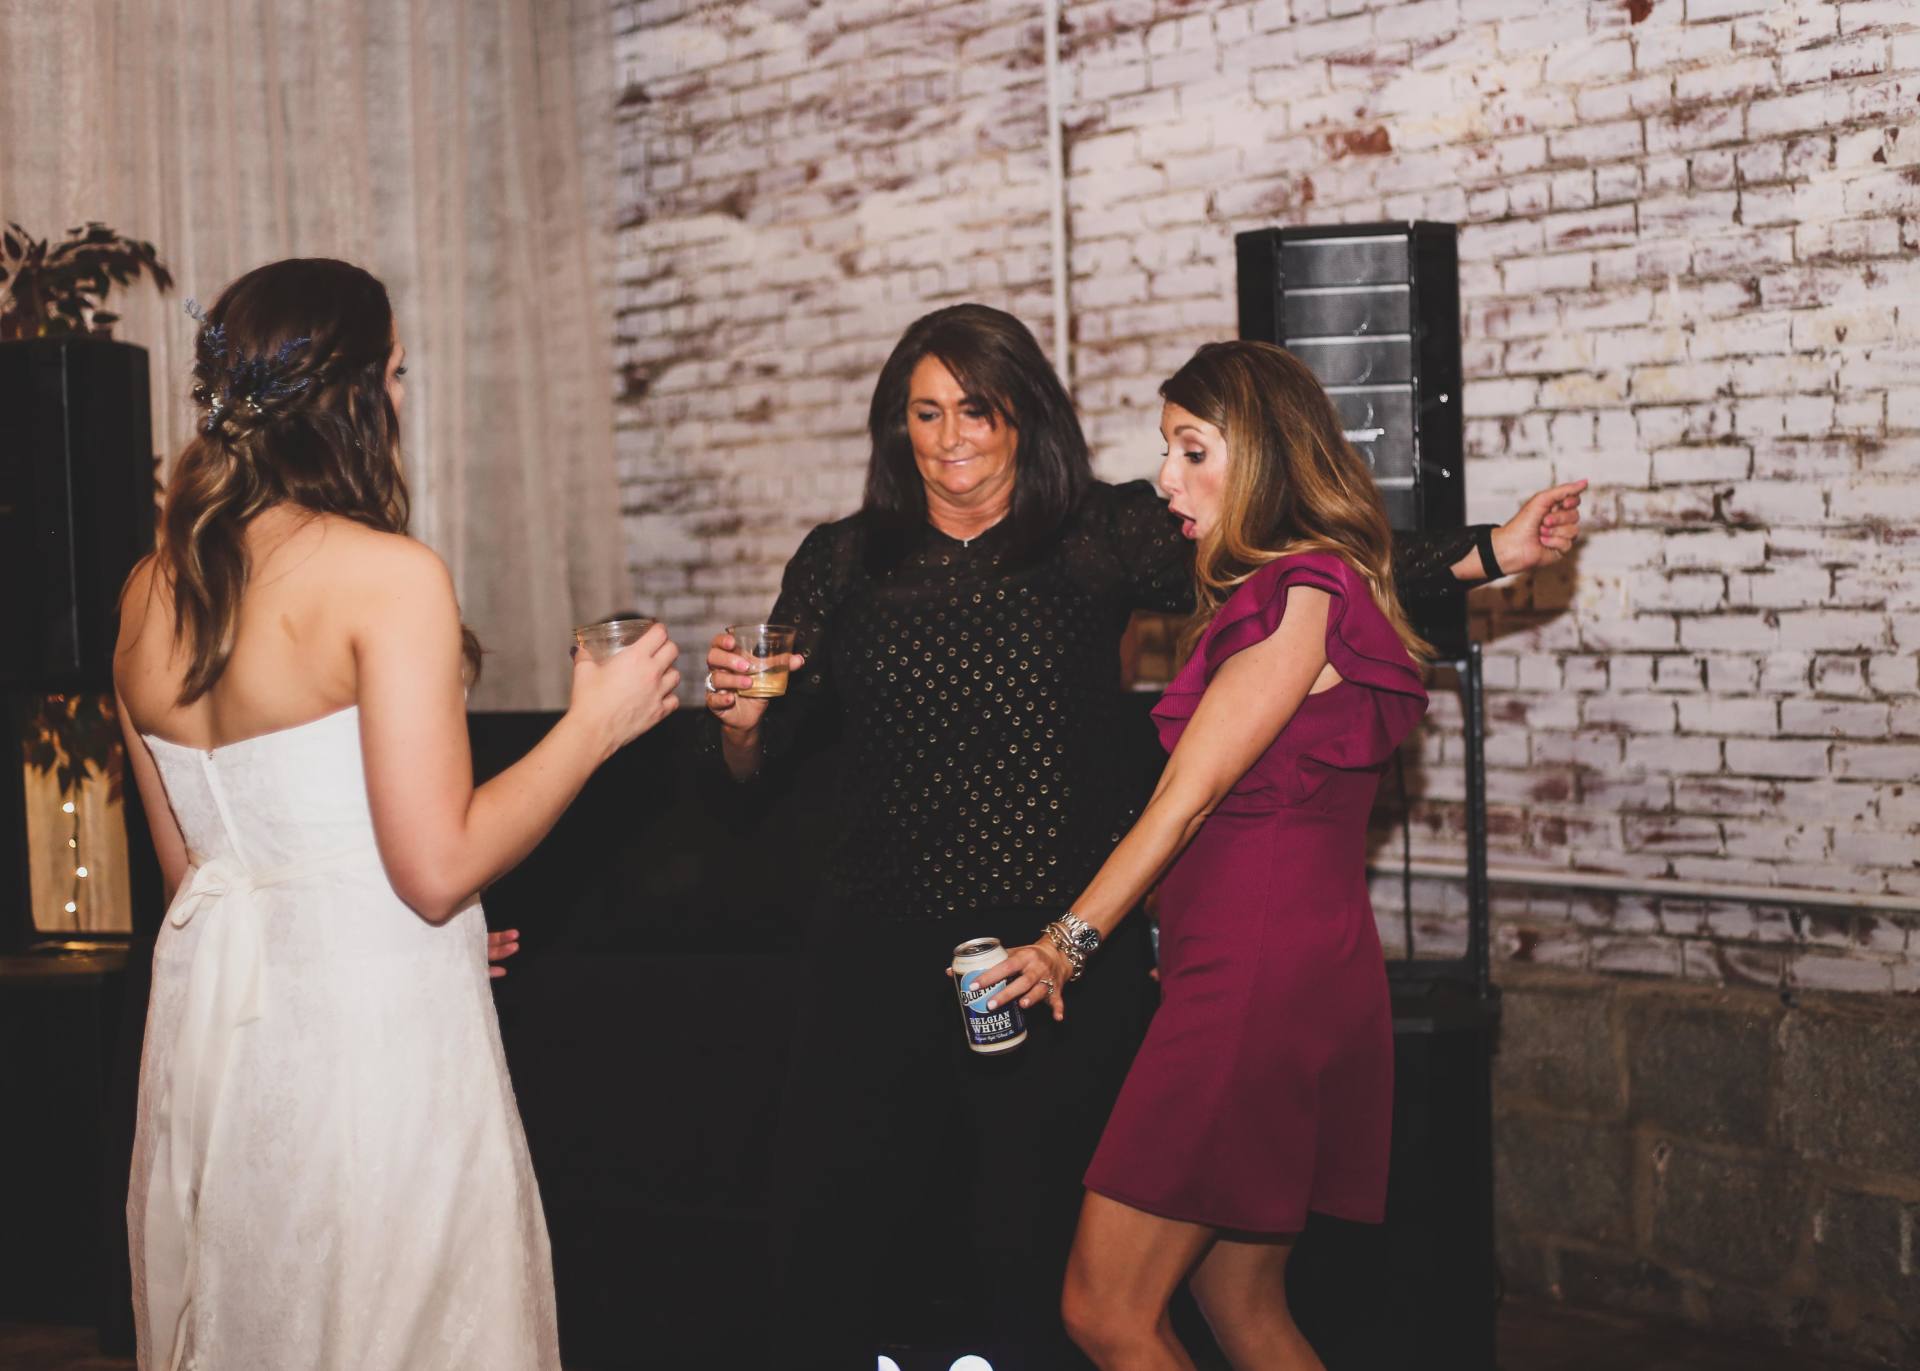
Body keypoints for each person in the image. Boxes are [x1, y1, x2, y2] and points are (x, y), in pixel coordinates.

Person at [701, 304, 1582, 1368]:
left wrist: (1490, 551)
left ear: (1026, 416)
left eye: (976, 410)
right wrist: (743, 728)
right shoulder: (844, 561)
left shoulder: (1106, 537)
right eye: (923, 414)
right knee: (1210, 1301)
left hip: (1088, 942)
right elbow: (764, 763)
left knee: (1087, 1285)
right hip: (895, 942)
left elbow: (1300, 581)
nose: (950, 437)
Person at [113, 258, 681, 1371]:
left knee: (260, 1316)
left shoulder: (147, 590)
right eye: (401, 373)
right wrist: (596, 726)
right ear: (353, 398)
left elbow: (201, 878)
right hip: (369, 1054)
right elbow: (435, 866)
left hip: (221, 1043)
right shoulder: (387, 576)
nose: (407, 396)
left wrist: (417, 933)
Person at [977, 340, 1439, 1369]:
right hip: (1275, 963)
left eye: (1193, 449)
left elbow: (1185, 805)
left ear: (1266, 456)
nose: (1166, 478)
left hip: (1255, 980)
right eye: (1165, 450)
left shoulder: (1297, 595)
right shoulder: (1294, 592)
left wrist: (1065, 945)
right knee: (1243, 1306)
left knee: (1106, 1310)